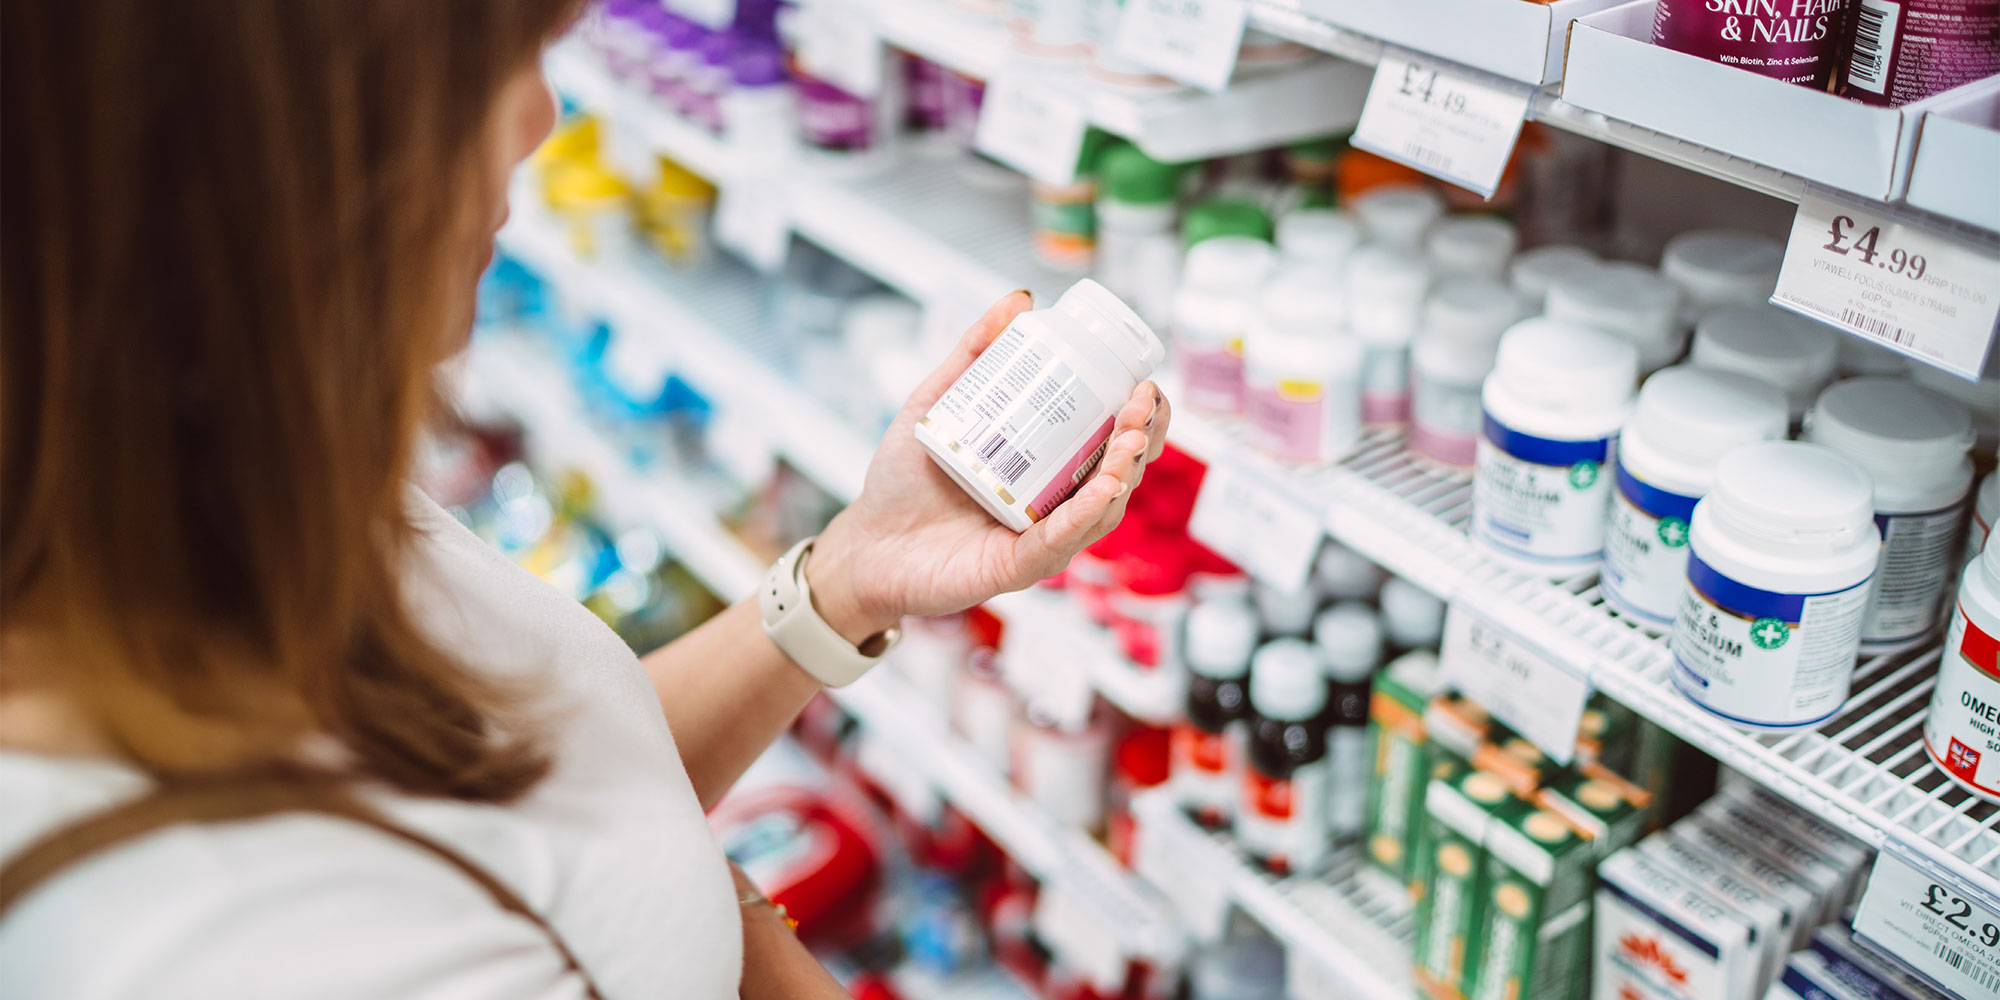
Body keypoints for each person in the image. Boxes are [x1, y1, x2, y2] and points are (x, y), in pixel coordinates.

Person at [0, 2, 1172, 997]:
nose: (540, 119)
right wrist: (731, 917)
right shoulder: (242, 942)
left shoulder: (237, 495)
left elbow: (553, 782)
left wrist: (844, 578)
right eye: (492, 67)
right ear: (259, 154)